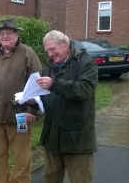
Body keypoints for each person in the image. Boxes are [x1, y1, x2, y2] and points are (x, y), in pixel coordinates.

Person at [0, 19, 42, 183]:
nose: (5, 36)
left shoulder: (27, 53)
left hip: (19, 116)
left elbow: (37, 83)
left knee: (21, 158)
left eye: (9, 33)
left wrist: (32, 110)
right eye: (2, 33)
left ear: (16, 35)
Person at [36, 30, 98, 183]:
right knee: (51, 179)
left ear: (64, 43)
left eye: (52, 49)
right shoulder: (49, 67)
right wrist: (35, 101)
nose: (50, 54)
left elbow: (85, 90)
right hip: (52, 137)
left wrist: (55, 84)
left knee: (80, 179)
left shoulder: (86, 63)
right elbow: (46, 97)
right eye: (47, 51)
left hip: (76, 140)